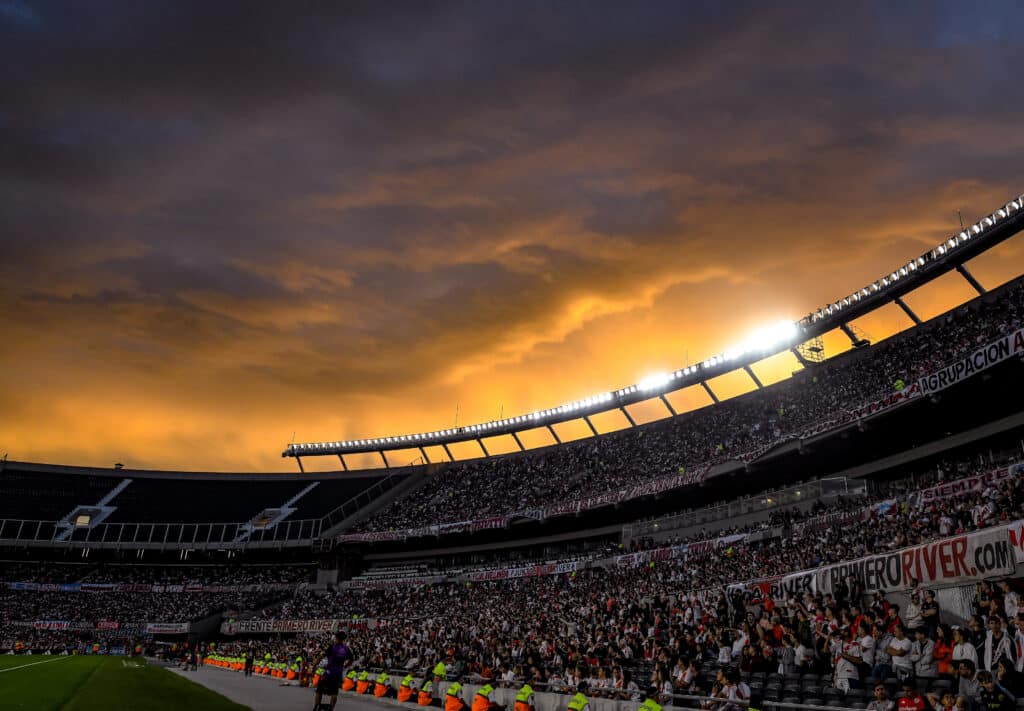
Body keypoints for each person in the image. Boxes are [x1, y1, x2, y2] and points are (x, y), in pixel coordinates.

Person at [313, 631, 354, 711]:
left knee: (319, 690)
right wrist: (344, 666)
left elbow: (321, 656)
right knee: (334, 693)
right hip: (338, 673)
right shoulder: (346, 649)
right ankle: (331, 708)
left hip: (329, 673)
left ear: (336, 638)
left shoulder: (332, 647)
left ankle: (317, 706)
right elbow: (351, 660)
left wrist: (314, 665)